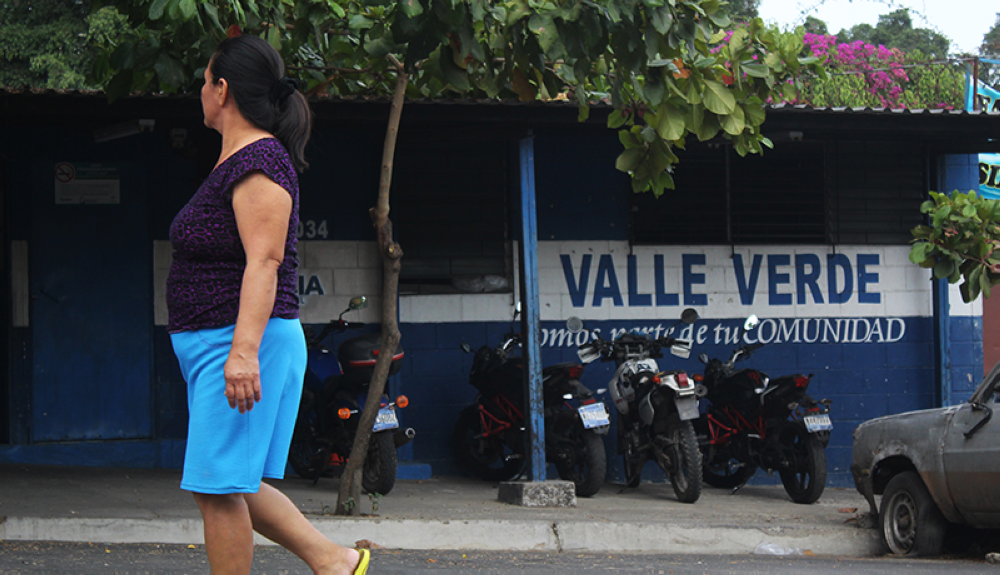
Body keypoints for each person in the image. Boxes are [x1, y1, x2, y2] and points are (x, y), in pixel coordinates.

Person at [166, 34, 369, 575]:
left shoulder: (259, 160)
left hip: (237, 341)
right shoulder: (238, 159)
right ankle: (335, 561)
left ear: (222, 89)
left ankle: (335, 561)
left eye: (204, 81)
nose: (200, 91)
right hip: (217, 342)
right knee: (230, 482)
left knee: (218, 488)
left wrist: (242, 352)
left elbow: (265, 261)